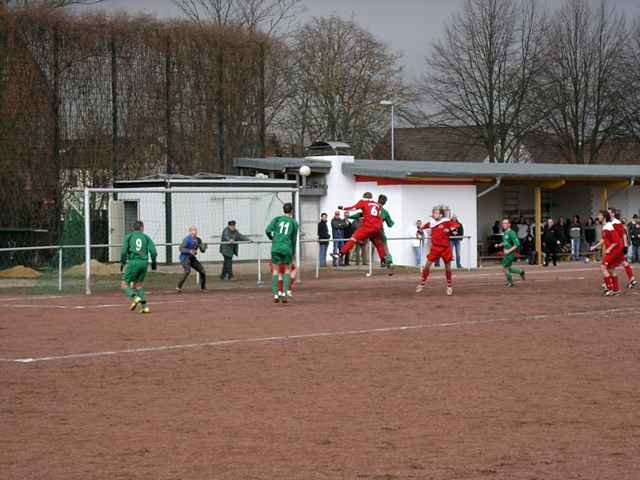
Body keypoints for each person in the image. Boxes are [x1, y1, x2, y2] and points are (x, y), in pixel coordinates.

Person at [338, 192, 388, 270]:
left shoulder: (363, 202)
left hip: (367, 227)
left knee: (353, 238)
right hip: (377, 228)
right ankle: (383, 260)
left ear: (364, 197)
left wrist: (343, 208)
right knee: (378, 244)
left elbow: (353, 208)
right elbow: (378, 214)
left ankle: (341, 253)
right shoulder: (376, 204)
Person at [416, 206, 459, 296]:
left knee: (447, 268)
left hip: (445, 248)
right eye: (433, 212)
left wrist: (450, 229)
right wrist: (419, 230)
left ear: (440, 214)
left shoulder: (446, 221)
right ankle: (422, 283)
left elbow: (456, 225)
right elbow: (423, 227)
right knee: (427, 265)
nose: (434, 214)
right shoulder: (431, 222)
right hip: (435, 248)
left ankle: (449, 286)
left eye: (436, 212)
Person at [119, 220, 157, 314]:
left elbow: (123, 252)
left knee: (124, 284)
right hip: (144, 263)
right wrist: (154, 264)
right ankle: (145, 307)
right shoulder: (146, 237)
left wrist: (123, 263)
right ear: (142, 228)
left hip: (133, 262)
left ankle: (135, 297)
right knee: (138, 285)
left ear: (133, 228)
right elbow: (153, 252)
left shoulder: (129, 237)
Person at [266, 202, 298, 303]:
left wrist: (273, 238)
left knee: (275, 271)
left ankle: (276, 294)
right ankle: (284, 292)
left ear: (283, 210)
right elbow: (294, 238)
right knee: (288, 270)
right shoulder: (293, 222)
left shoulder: (277, 219)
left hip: (275, 247)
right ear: (292, 211)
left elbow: (267, 230)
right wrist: (293, 251)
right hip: (287, 247)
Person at [591, 210, 624, 296]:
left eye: (600, 215)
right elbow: (603, 239)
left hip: (614, 251)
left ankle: (610, 288)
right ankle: (616, 289)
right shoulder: (605, 226)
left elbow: (616, 241)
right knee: (610, 269)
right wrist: (595, 246)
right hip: (613, 250)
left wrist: (609, 249)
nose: (598, 216)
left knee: (603, 267)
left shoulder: (609, 226)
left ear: (604, 217)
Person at [608, 207, 637, 288]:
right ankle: (632, 279)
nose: (608, 214)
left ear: (613, 213)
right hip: (616, 246)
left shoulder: (616, 223)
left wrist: (625, 246)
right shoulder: (611, 222)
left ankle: (609, 282)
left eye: (609, 212)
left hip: (618, 246)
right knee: (623, 262)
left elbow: (623, 234)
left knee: (609, 265)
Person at [495, 218, 526, 287]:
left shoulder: (512, 233)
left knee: (504, 268)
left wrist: (508, 251)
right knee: (508, 268)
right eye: (503, 223)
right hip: (507, 253)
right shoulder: (505, 232)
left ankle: (511, 283)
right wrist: (499, 245)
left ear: (509, 224)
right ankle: (521, 271)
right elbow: (505, 242)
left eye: (505, 223)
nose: (503, 224)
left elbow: (517, 244)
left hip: (510, 253)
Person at [176, 226, 208, 292]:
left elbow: (202, 250)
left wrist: (203, 248)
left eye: (196, 230)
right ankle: (178, 286)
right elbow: (181, 248)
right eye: (193, 230)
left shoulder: (198, 239)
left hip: (192, 258)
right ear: (190, 232)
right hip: (185, 257)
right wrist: (189, 251)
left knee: (202, 271)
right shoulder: (187, 239)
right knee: (187, 271)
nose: (195, 232)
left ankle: (203, 287)